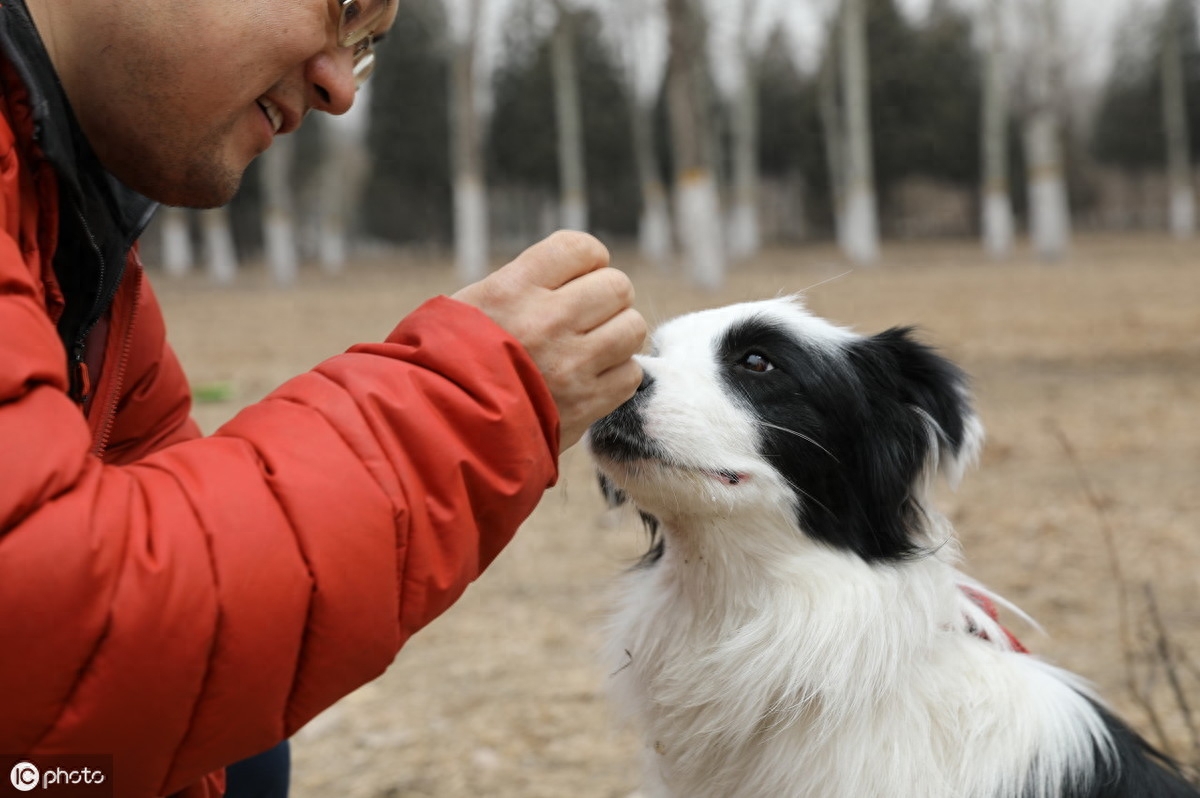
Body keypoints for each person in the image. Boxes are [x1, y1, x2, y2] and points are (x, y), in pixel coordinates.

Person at [0, 0, 647, 796]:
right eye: (343, 7)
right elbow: (50, 641)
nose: (342, 88)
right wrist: (473, 401)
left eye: (366, 48)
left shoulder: (79, 253)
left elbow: (148, 676)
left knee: (238, 753)